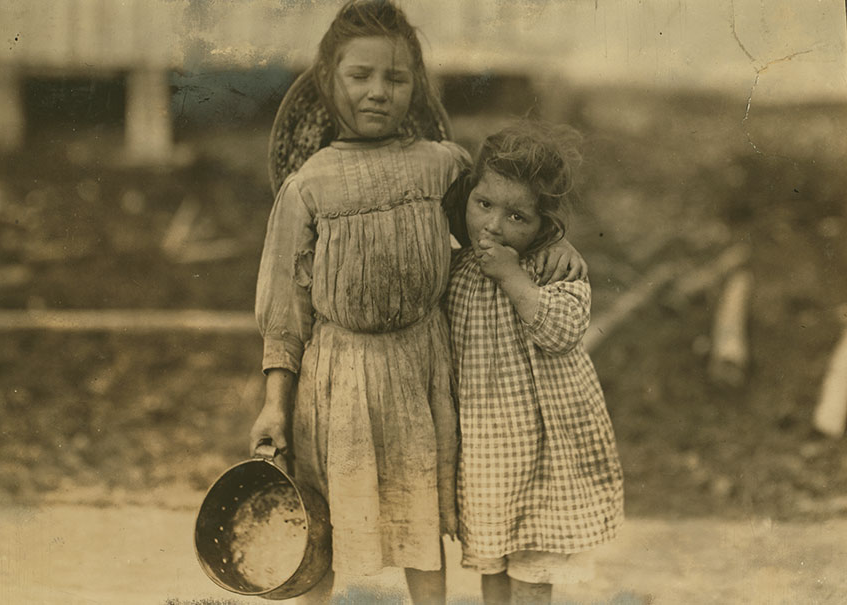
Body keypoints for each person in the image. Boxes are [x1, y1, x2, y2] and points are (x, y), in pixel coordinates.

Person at [249, 2, 585, 602]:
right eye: (360, 75)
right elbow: (284, 313)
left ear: (417, 85)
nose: (378, 92)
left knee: (421, 523)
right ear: (328, 79)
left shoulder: (444, 167)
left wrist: (556, 244)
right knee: (320, 525)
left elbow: (499, 226)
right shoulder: (308, 187)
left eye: (397, 78)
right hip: (338, 379)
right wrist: (275, 404)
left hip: (422, 370)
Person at [445, 121, 624, 605]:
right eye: (484, 204)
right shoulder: (456, 270)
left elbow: (561, 333)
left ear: (545, 227)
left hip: (545, 448)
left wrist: (512, 277)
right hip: (486, 450)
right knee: (493, 558)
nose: (493, 226)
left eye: (517, 217)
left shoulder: (553, 270)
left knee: (533, 567)